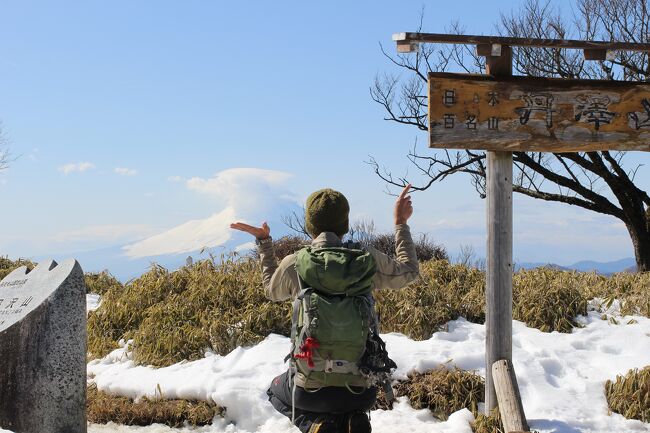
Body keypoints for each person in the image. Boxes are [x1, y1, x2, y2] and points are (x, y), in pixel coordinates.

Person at [230, 184, 419, 433]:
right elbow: (409, 272)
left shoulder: (295, 263)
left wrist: (264, 242)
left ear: (310, 225)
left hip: (309, 391)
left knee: (275, 391)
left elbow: (271, 290)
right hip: (361, 392)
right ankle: (353, 419)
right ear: (344, 225)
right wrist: (400, 224)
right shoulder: (366, 260)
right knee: (350, 397)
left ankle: (314, 425)